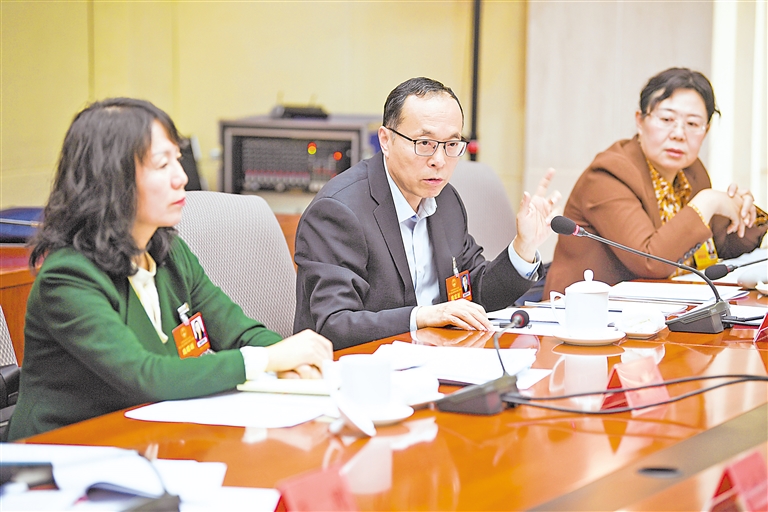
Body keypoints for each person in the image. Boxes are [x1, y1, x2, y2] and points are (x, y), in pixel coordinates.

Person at [7, 98, 332, 440]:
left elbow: (237, 331)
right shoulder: (68, 277)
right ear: (111, 178)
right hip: (66, 453)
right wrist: (267, 360)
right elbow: (147, 377)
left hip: (151, 437)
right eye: (162, 165)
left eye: (178, 159)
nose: (181, 177)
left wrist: (293, 364)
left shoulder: (168, 251)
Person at [294, 77, 560, 350]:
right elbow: (334, 325)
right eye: (424, 143)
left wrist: (524, 246)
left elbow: (475, 293)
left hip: (438, 357)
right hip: (364, 366)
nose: (439, 160)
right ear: (385, 141)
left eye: (451, 145)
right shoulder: (338, 211)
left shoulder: (445, 201)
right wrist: (422, 317)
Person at [544, 68, 767, 295]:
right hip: (584, 309)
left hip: (670, 305)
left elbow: (725, 245)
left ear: (706, 130)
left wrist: (743, 211)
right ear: (640, 121)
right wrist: (709, 201)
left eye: (692, 124)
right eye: (667, 119)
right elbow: (650, 261)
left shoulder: (691, 172)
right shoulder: (608, 175)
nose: (679, 134)